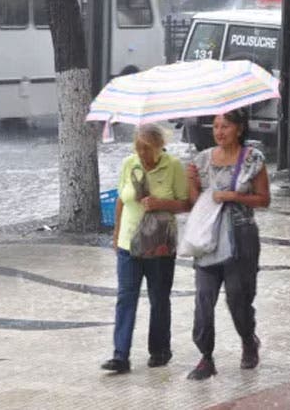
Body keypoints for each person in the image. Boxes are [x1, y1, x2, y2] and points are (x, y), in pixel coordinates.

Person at [185, 108, 270, 380]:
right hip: (207, 238)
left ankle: (248, 340)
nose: (219, 132)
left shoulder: (252, 160)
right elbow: (194, 204)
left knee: (238, 298)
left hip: (241, 238)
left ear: (240, 128)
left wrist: (234, 196)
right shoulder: (200, 160)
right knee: (203, 298)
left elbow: (264, 200)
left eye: (225, 126)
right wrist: (191, 184)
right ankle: (206, 357)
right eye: (215, 126)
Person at [101, 124, 190, 374]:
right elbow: (121, 199)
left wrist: (161, 203)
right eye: (138, 149)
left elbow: (186, 203)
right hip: (129, 243)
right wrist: (116, 234)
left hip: (160, 246)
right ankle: (120, 355)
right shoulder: (130, 163)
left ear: (159, 146)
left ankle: (160, 349)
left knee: (159, 298)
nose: (142, 154)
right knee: (125, 298)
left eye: (147, 149)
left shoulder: (172, 166)